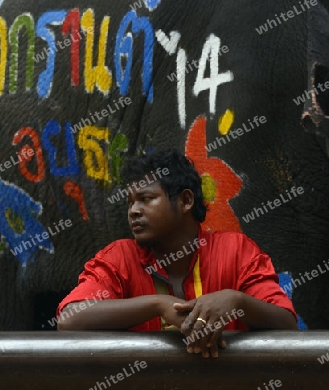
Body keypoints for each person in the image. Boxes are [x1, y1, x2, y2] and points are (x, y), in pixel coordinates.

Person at [57, 149, 297, 358]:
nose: (133, 211)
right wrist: (159, 305)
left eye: (146, 199)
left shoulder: (235, 250)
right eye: (130, 202)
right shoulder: (120, 257)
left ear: (185, 200)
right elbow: (69, 319)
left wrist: (237, 301)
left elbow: (286, 324)